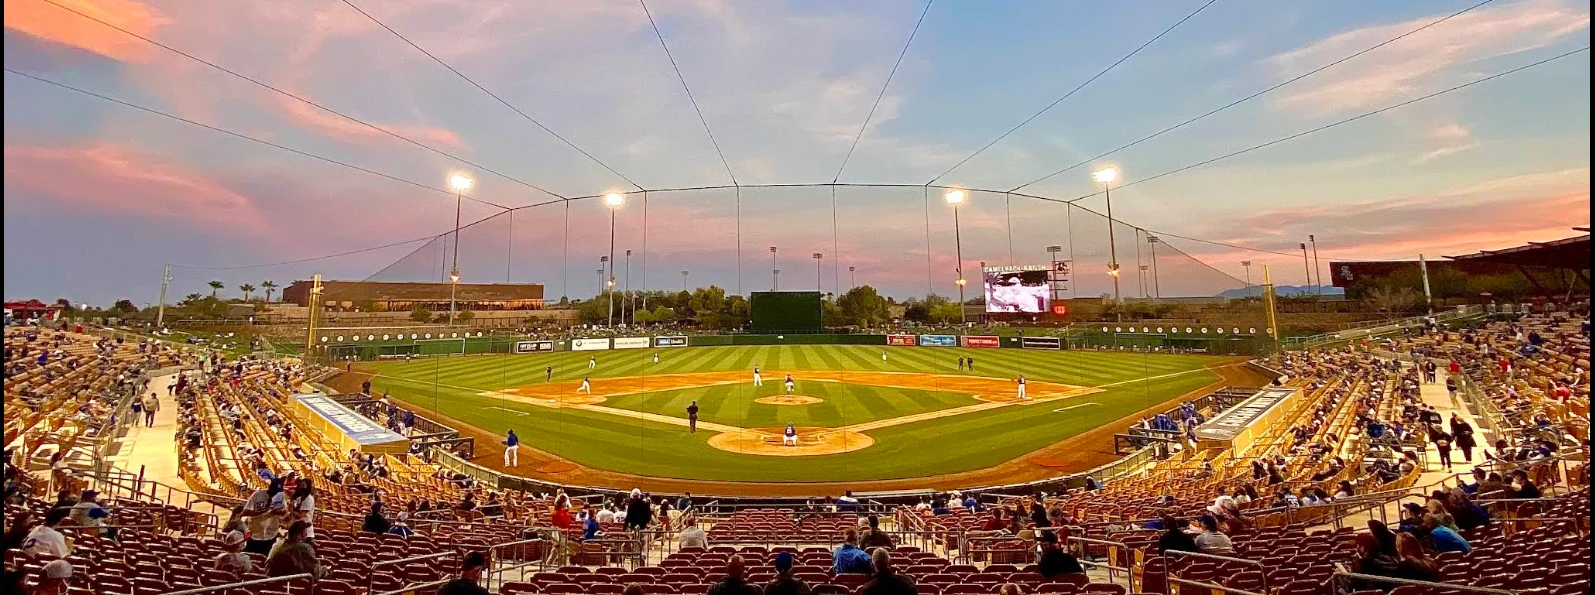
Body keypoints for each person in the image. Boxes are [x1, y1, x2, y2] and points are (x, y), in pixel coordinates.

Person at [241, 478, 286, 555]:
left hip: (271, 535)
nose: (274, 495)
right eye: (273, 492)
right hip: (255, 534)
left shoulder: (281, 497)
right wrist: (264, 511)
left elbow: (284, 512)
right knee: (252, 557)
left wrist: (280, 512)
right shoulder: (257, 495)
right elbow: (245, 511)